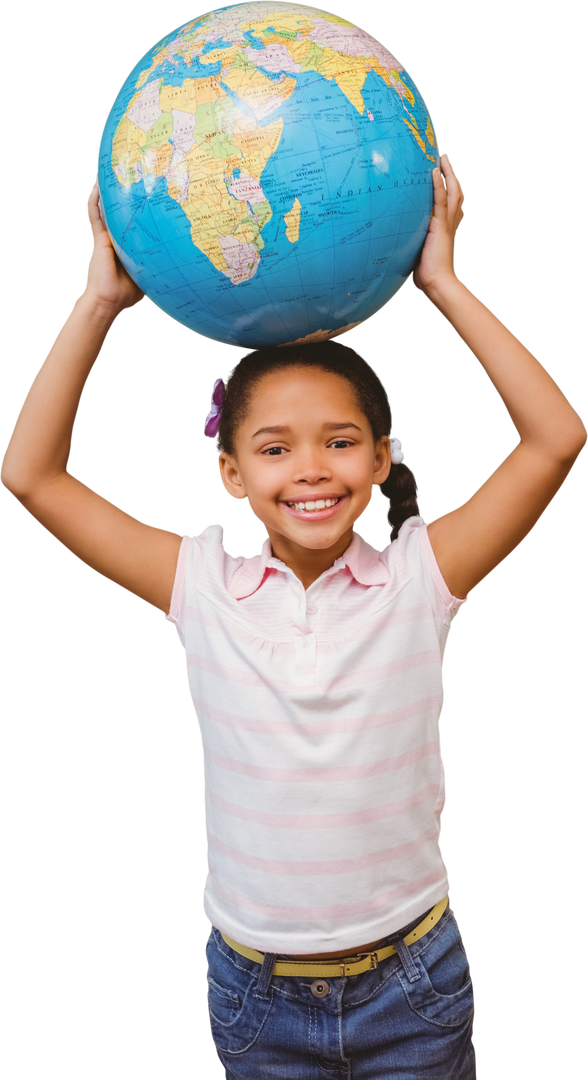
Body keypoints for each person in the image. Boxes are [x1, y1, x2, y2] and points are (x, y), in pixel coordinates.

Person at [1, 152, 586, 1079]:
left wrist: (443, 281)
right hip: (252, 994)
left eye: (340, 441)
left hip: (414, 983)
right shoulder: (199, 586)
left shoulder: (419, 579)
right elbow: (31, 477)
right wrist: (97, 302)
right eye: (275, 448)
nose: (310, 467)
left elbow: (556, 440)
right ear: (232, 475)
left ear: (383, 459)